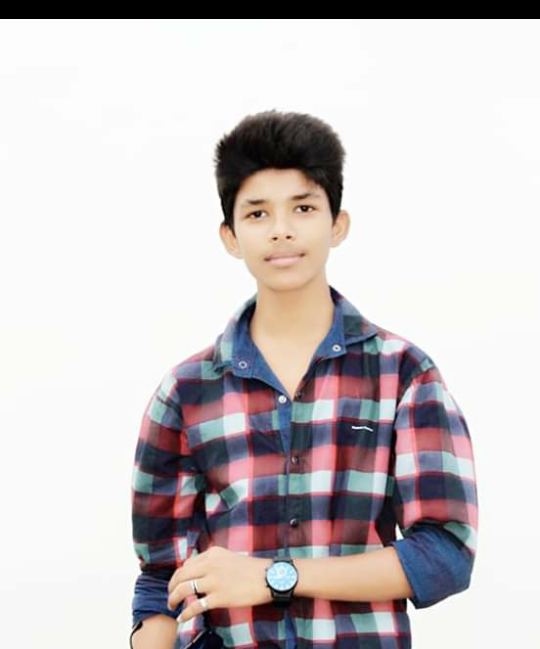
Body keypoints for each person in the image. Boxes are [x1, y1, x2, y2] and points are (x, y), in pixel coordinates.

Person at [129, 109, 479, 649]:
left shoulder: (404, 374)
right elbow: (161, 579)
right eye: (257, 213)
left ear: (338, 224)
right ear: (230, 236)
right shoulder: (186, 392)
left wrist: (275, 577)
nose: (282, 229)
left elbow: (444, 555)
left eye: (303, 207)